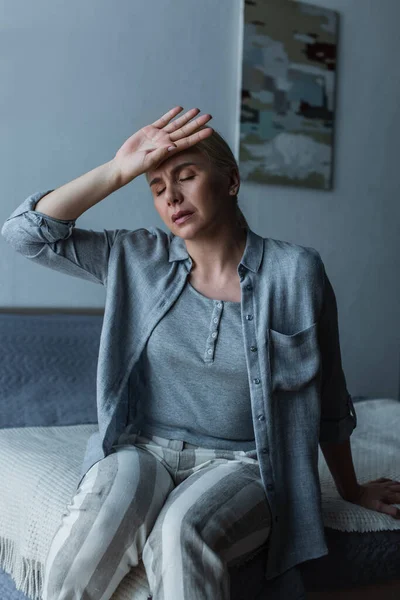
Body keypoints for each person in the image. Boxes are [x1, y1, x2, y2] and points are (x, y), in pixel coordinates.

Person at [2, 106, 400, 600]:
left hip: (245, 463)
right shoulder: (136, 258)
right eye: (156, 187)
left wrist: (350, 488)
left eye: (186, 177)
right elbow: (24, 234)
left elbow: (330, 394)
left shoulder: (296, 272)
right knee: (93, 526)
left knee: (179, 534)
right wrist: (117, 170)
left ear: (231, 181)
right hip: (142, 449)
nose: (171, 196)